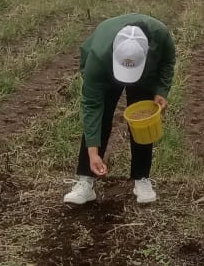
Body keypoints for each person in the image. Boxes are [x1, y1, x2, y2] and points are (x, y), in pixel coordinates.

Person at [62, 13, 176, 206]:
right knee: (102, 114)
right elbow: (92, 106)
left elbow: (167, 62)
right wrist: (93, 152)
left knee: (142, 120)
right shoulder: (98, 58)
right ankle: (85, 180)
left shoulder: (160, 35)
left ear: (148, 51)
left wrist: (161, 91)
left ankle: (141, 178)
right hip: (107, 70)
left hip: (145, 75)